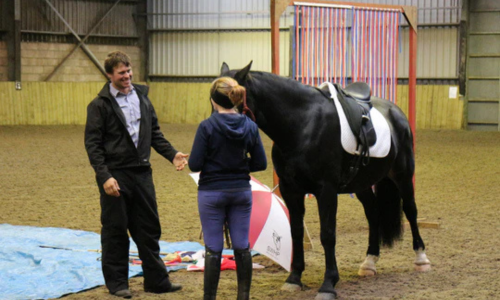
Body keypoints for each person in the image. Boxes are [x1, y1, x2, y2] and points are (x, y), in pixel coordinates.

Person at [84, 51, 188, 299]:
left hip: (142, 174)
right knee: (115, 230)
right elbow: (93, 145)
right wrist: (104, 176)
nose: (127, 76)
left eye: (129, 71)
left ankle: (156, 281)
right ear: (109, 75)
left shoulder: (142, 98)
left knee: (149, 229)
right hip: (115, 176)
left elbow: (154, 133)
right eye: (121, 73)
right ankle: (118, 284)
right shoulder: (99, 105)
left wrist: (172, 154)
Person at [188, 77, 267, 300]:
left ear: (213, 101)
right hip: (240, 191)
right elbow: (260, 163)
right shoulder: (250, 126)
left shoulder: (206, 126)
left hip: (211, 192)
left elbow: (195, 164)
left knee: (213, 248)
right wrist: (239, 165)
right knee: (242, 246)